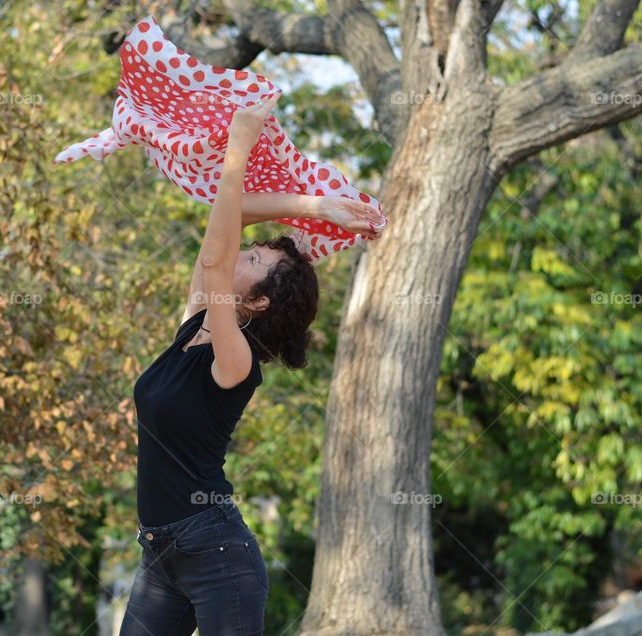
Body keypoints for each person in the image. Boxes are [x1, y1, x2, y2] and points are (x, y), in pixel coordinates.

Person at [120, 94, 385, 636]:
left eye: (255, 260)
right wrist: (318, 209)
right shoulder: (195, 324)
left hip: (217, 555)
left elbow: (219, 255)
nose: (242, 252)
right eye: (251, 251)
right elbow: (230, 217)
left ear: (258, 302)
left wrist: (239, 150)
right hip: (160, 553)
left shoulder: (234, 359)